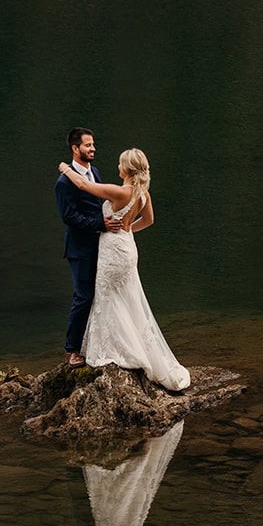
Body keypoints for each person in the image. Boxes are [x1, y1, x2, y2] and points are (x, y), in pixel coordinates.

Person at [56, 147, 190, 391]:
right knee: (126, 296)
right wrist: (128, 230)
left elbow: (84, 186)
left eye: (120, 164)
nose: (117, 167)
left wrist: (65, 168)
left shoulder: (119, 192)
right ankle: (134, 343)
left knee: (108, 296)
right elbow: (149, 221)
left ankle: (117, 348)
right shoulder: (143, 194)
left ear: (127, 169)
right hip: (127, 247)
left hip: (113, 249)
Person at [56, 128, 122, 366]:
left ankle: (91, 343)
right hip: (80, 248)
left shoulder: (94, 171)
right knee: (83, 296)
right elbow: (68, 217)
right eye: (87, 145)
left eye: (93, 145)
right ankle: (71, 349)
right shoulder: (64, 182)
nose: (92, 149)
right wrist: (99, 224)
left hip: (101, 245)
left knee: (100, 295)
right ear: (75, 149)